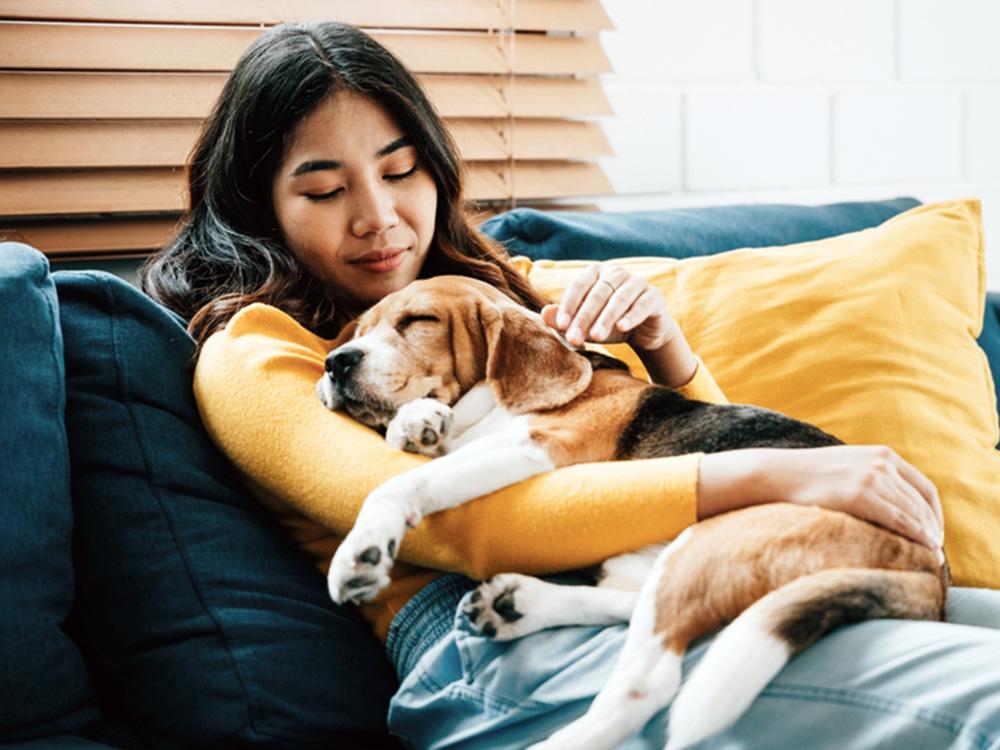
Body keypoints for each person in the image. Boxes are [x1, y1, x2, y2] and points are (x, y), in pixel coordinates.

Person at [141, 21, 1000, 749]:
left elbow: (694, 440)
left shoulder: (506, 296)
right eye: (325, 188)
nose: (379, 215)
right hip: (491, 637)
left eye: (401, 172)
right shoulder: (255, 350)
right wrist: (784, 473)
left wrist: (664, 347)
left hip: (687, 573)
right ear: (258, 205)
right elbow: (453, 523)